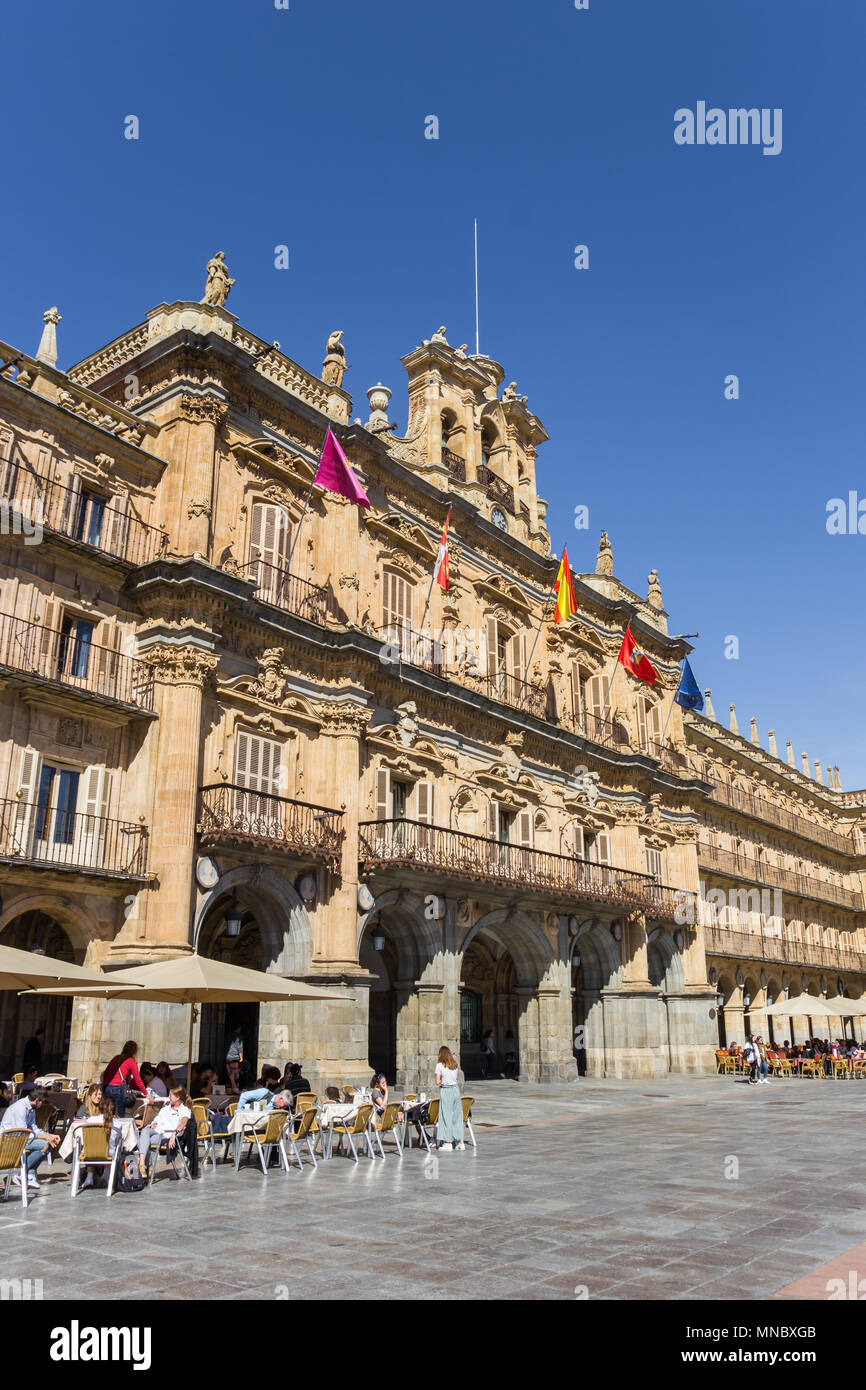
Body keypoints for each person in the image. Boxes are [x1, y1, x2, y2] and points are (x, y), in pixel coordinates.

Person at [0, 1085, 60, 1188]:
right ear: (37, 1100)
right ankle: (21, 1174)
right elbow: (23, 1133)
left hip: (20, 1138)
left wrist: (50, 1135)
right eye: (43, 1101)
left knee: (49, 1143)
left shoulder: (31, 1108)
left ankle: (28, 1173)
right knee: (45, 1144)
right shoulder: (20, 1108)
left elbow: (34, 1129)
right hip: (9, 1141)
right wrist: (46, 1138)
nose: (43, 1104)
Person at [137, 1085, 192, 1179]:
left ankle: (148, 1166)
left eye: (171, 1095)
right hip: (158, 1133)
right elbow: (157, 1120)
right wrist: (152, 1124)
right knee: (145, 1131)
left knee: (141, 1142)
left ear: (178, 1097)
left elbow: (183, 1122)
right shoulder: (165, 1109)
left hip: (168, 1135)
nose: (168, 1097)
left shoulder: (184, 1110)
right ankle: (143, 1163)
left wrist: (174, 1134)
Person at [102, 1041, 148, 1117]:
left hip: (107, 1088)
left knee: (107, 1114)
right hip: (118, 1089)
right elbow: (138, 1080)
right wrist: (146, 1093)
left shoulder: (116, 1058)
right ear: (135, 1051)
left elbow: (105, 1073)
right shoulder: (131, 1061)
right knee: (120, 1116)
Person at [434, 1046, 465, 1152]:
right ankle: (460, 1142)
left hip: (446, 1091)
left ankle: (448, 1142)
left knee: (446, 1116)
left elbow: (437, 1082)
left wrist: (442, 1078)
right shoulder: (455, 1065)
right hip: (455, 1090)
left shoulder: (439, 1065)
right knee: (457, 1116)